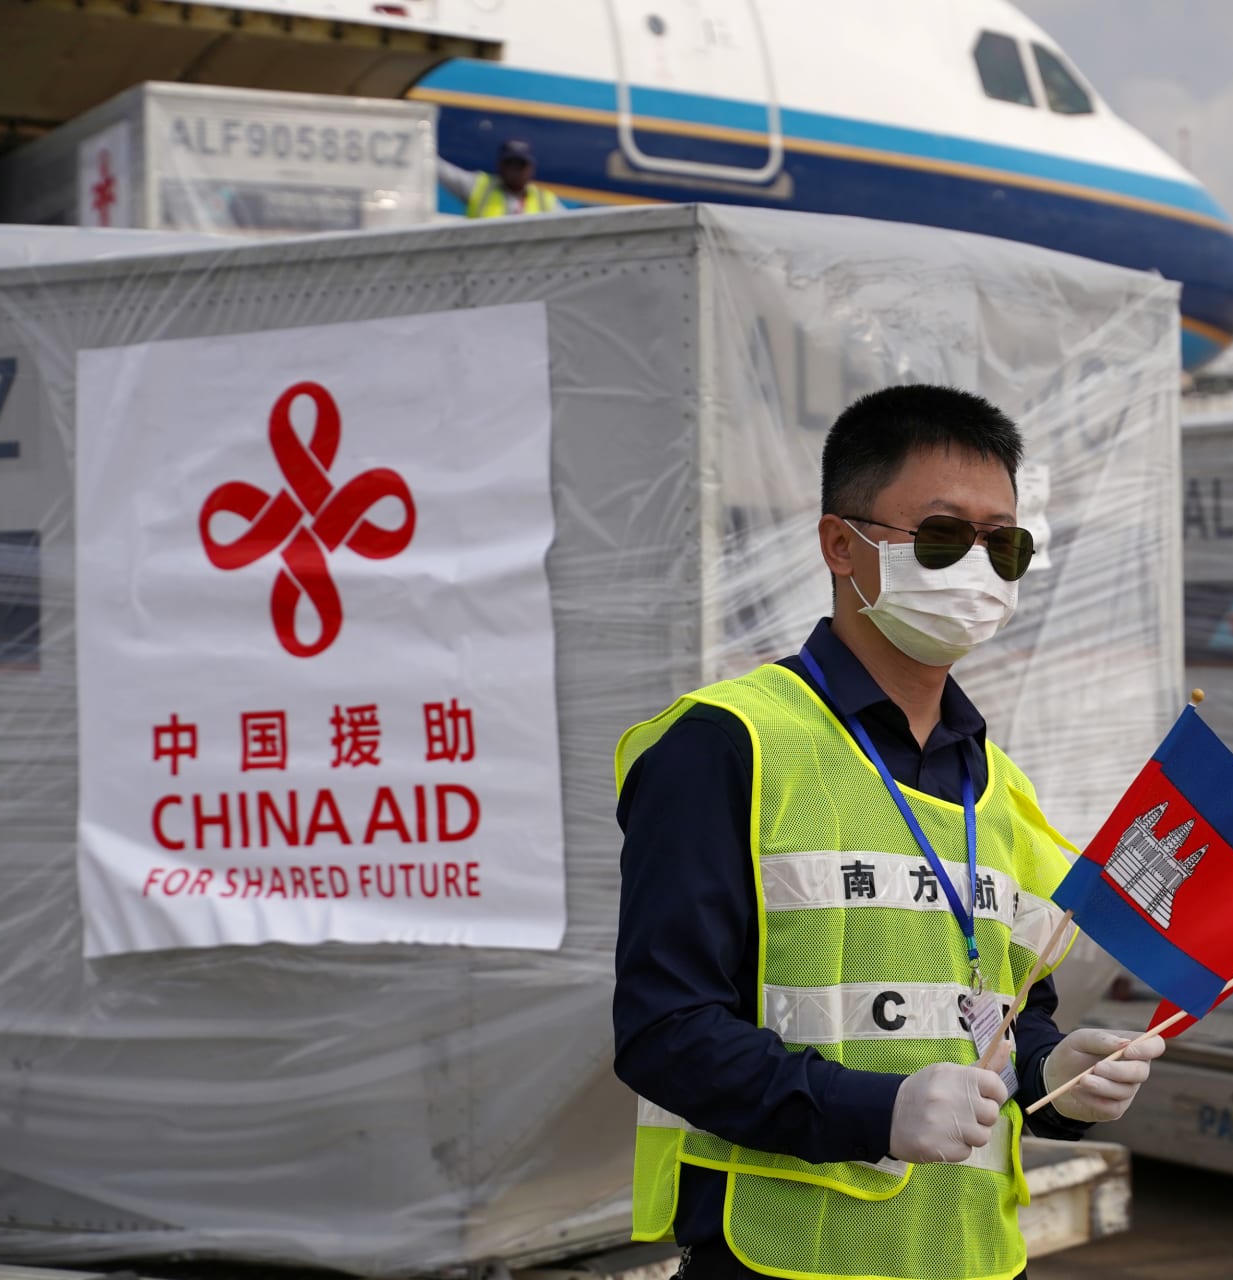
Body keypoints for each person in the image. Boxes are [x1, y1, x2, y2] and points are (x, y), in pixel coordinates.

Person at [613, 385, 1165, 1280]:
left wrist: (1059, 1075)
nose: (979, 567)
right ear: (842, 544)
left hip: (975, 1258)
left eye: (1006, 544)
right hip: (784, 1261)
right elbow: (664, 1030)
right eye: (943, 536)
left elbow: (1006, 1013)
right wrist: (875, 1109)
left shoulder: (996, 786)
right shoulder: (728, 745)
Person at [437, 138, 564, 218]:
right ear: (500, 166)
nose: (515, 171)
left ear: (531, 169)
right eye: (510, 164)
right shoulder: (479, 187)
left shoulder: (545, 201)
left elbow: (571, 224)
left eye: (520, 165)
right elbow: (441, 169)